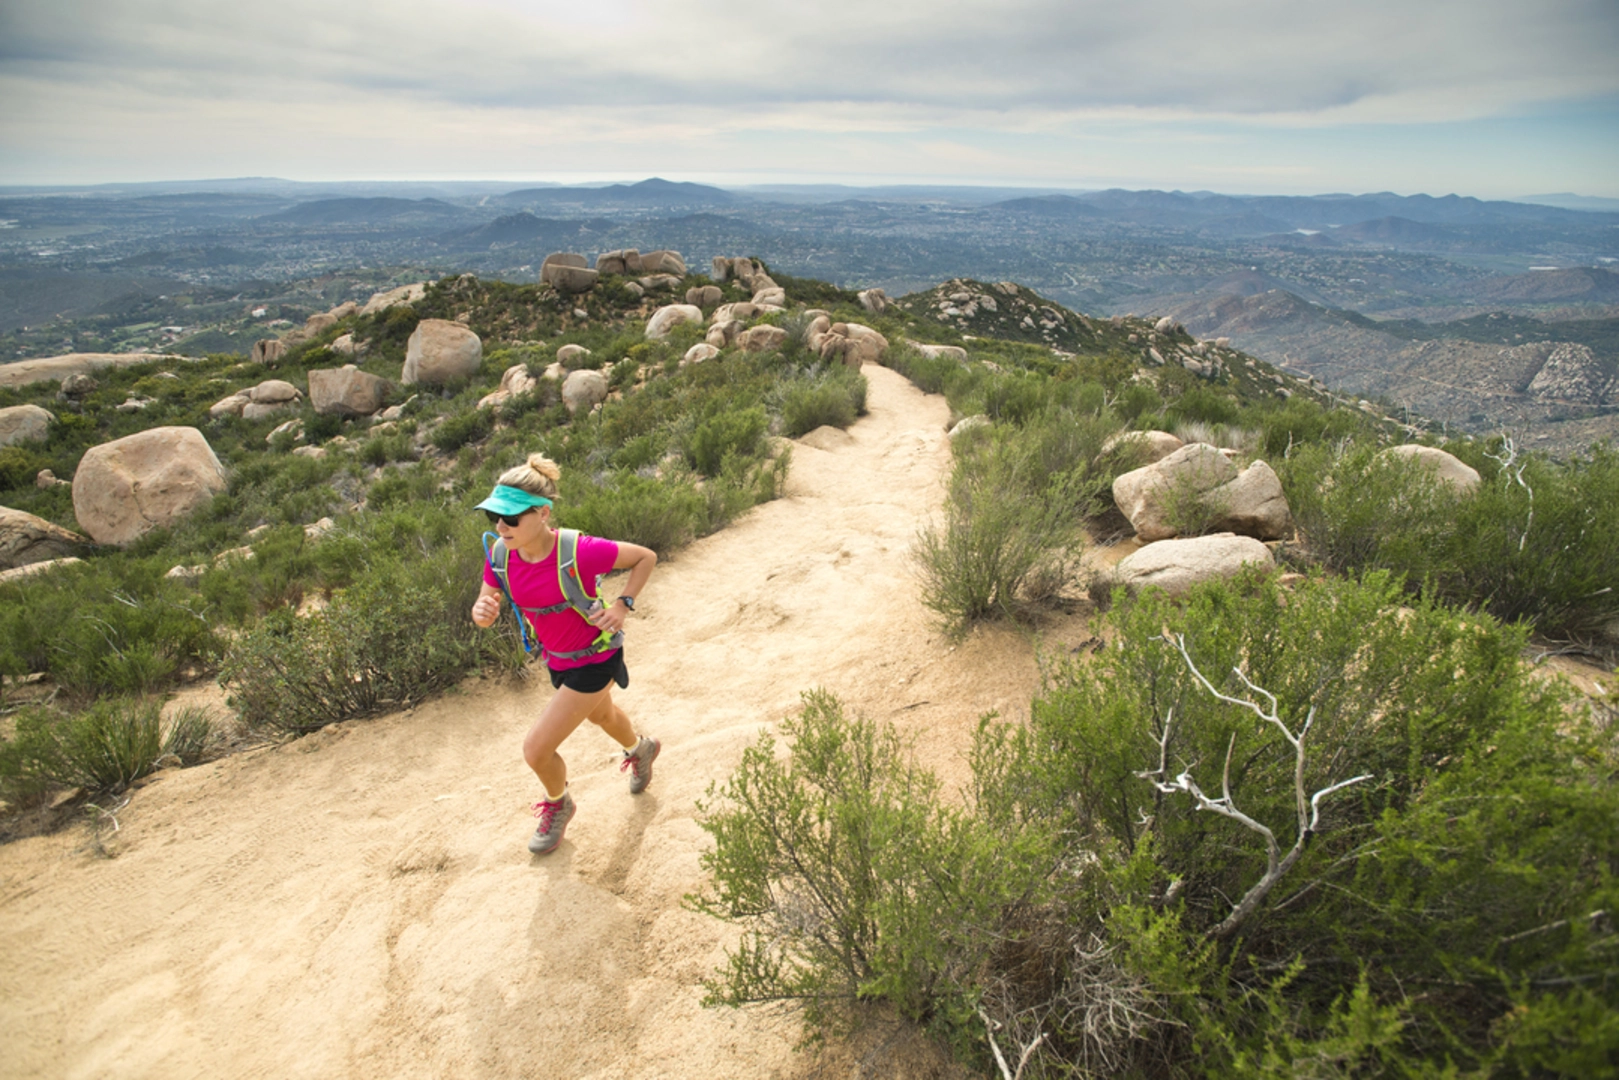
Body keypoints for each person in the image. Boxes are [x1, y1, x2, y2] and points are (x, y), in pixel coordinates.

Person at [470, 453, 660, 855]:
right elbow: (485, 607)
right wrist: (481, 613)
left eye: (511, 518)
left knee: (536, 749)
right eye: (494, 518)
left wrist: (622, 605)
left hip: (595, 658)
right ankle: (641, 749)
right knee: (602, 715)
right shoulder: (500, 555)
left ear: (542, 513)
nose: (501, 526)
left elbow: (645, 556)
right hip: (557, 660)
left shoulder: (578, 549)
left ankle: (559, 804)